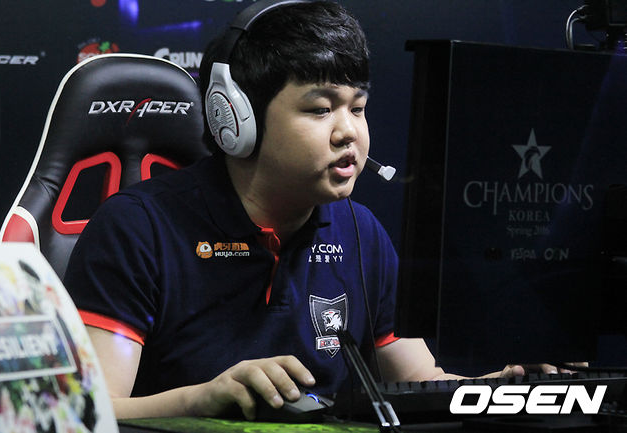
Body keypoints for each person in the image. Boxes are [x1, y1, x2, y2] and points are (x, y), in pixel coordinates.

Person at [63, 0, 559, 421]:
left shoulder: (361, 232)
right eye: (321, 109)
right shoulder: (137, 229)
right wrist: (203, 400)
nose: (349, 133)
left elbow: (419, 384)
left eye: (357, 108)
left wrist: (500, 390)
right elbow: (89, 413)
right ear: (236, 119)